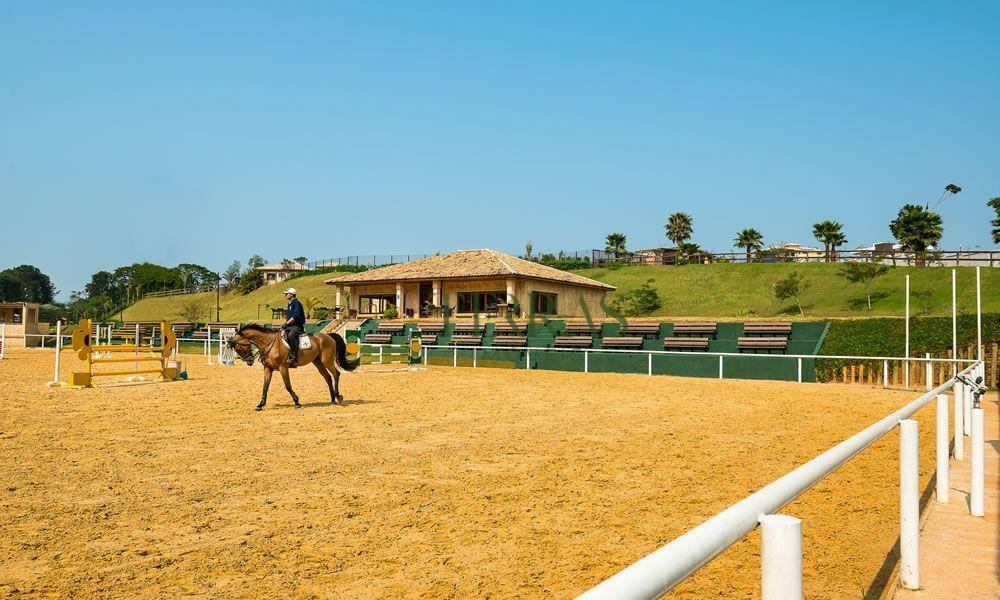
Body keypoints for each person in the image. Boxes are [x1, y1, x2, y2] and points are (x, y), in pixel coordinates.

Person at [282, 287, 306, 366]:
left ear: (292, 294)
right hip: (290, 326)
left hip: (297, 326)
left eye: (287, 293)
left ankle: (294, 355)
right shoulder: (289, 304)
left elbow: (295, 316)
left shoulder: (296, 303)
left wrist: (287, 323)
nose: (285, 295)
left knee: (290, 336)